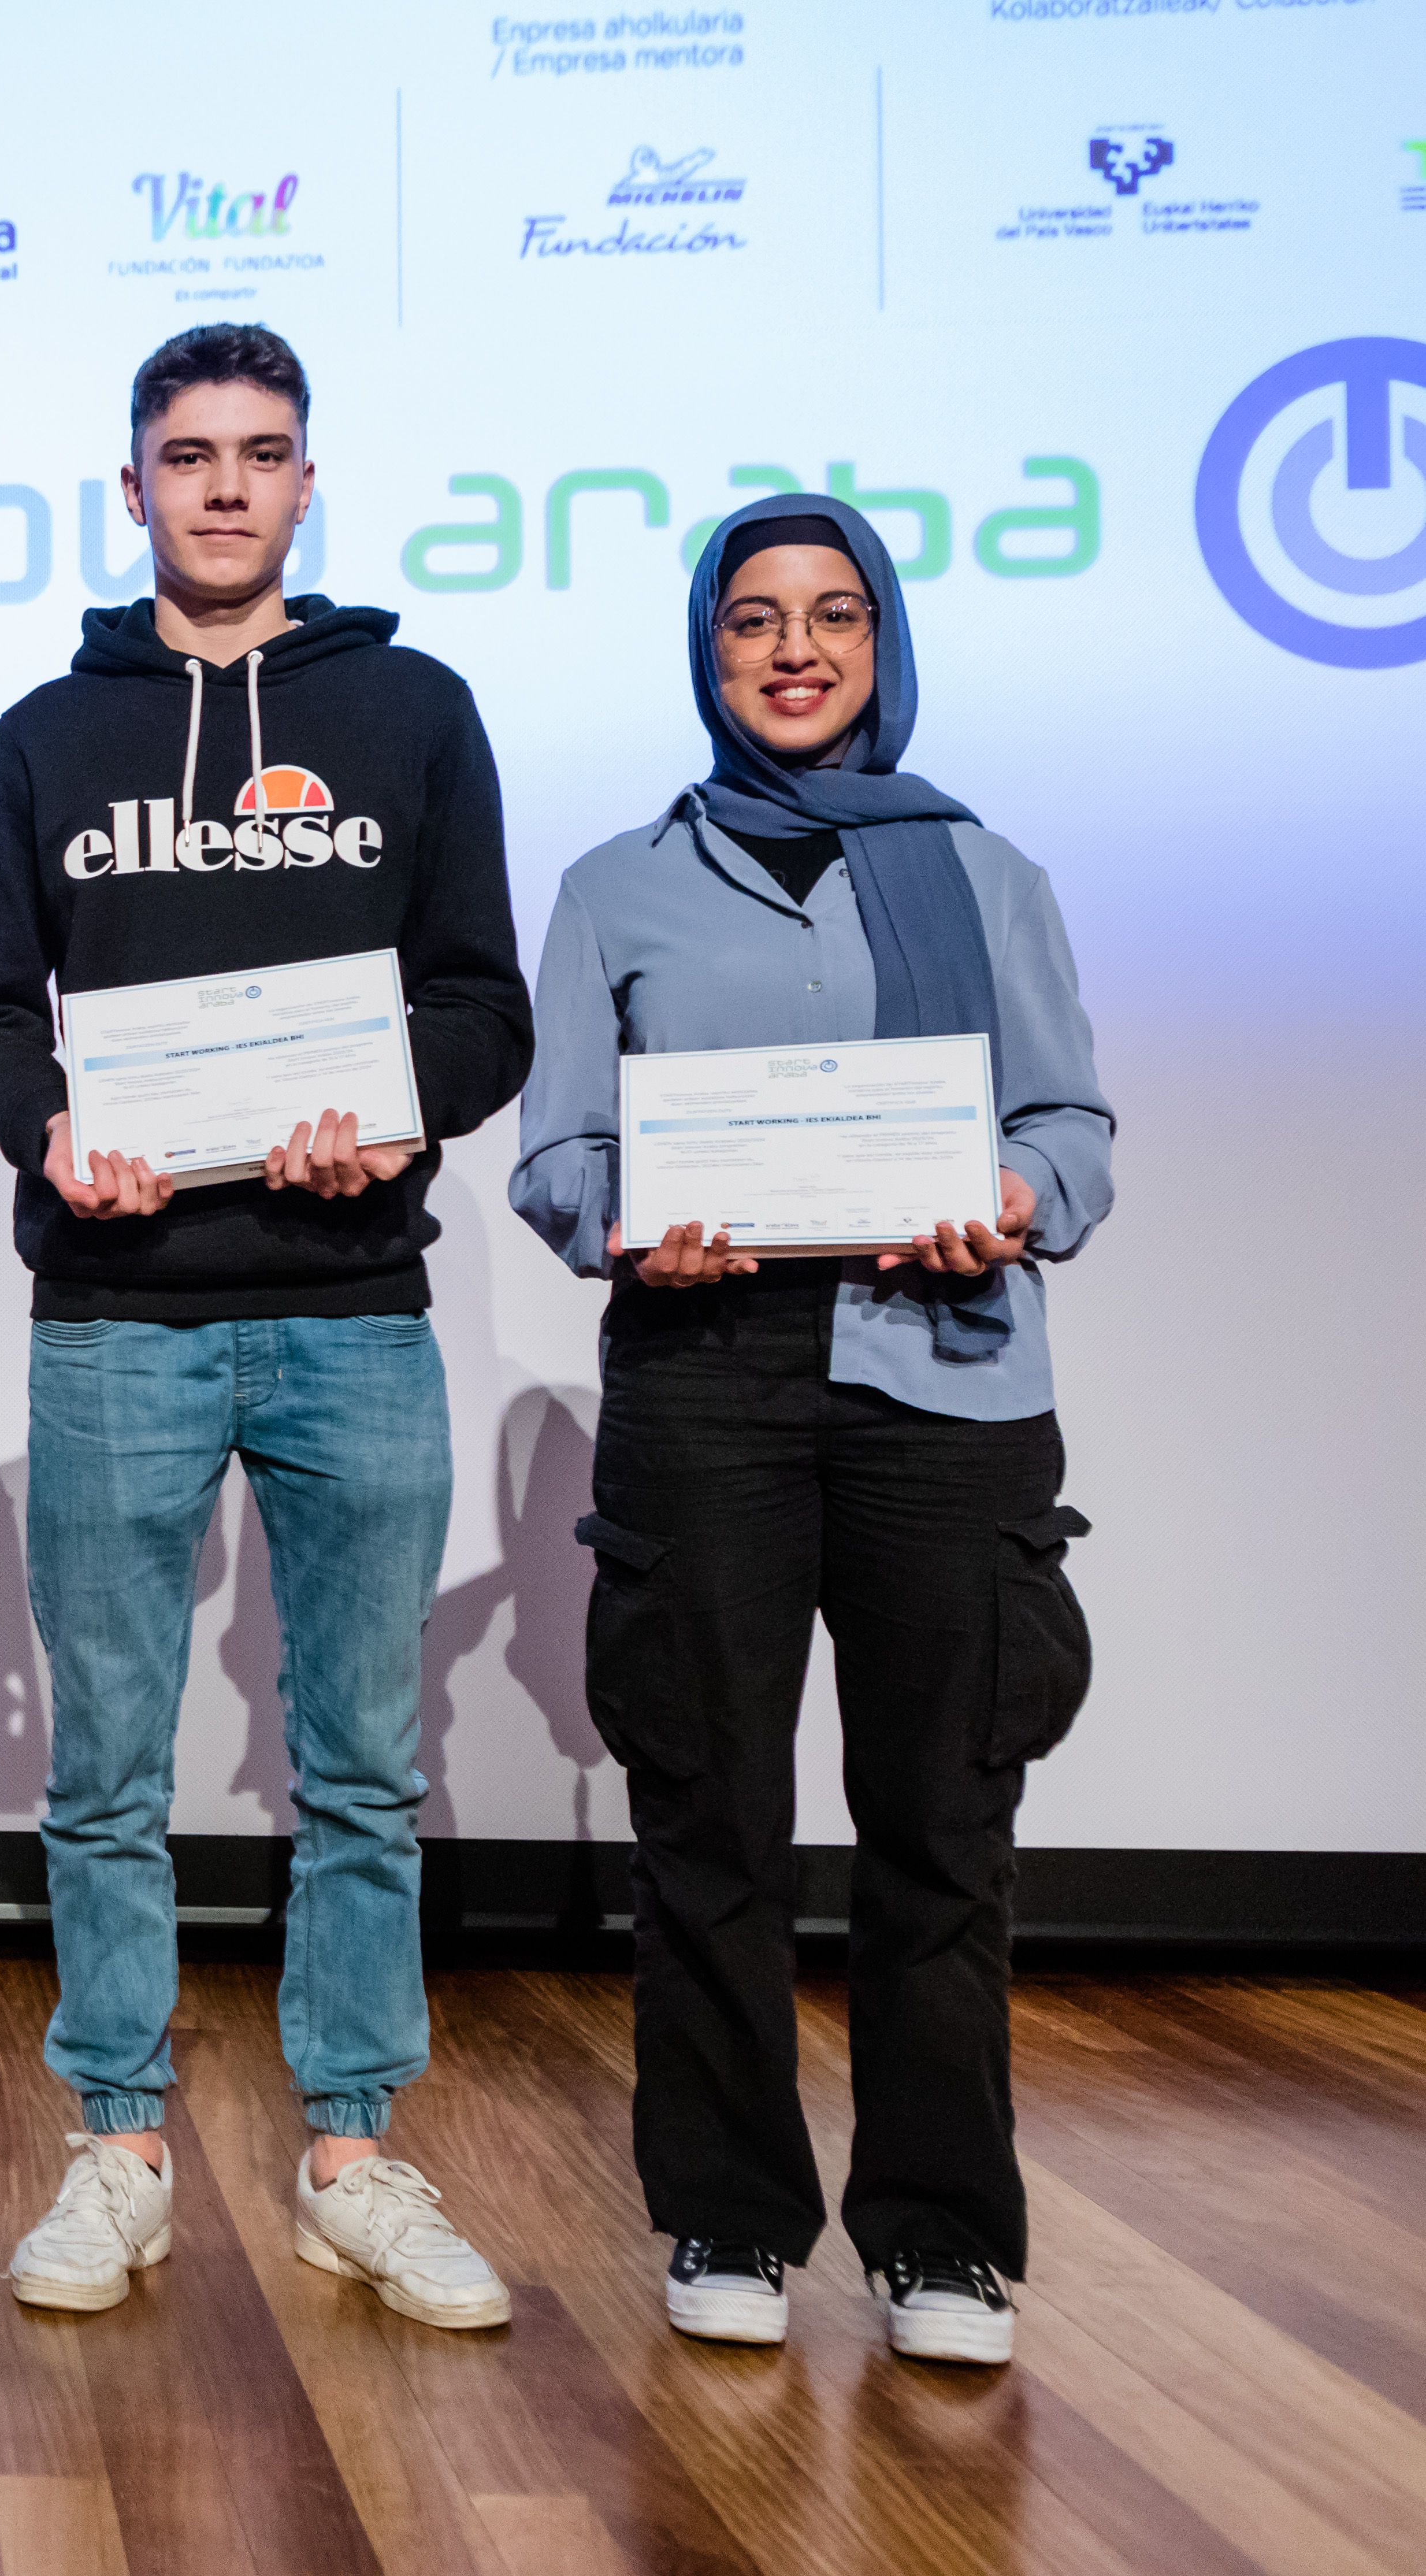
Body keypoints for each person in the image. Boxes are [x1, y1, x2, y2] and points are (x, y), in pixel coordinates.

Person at [0, 323, 532, 2330]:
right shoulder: (45, 736)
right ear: (131, 490)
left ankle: (354, 2145)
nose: (221, 486)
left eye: (260, 454)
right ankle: (120, 2142)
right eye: (185, 455)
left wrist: (394, 1110)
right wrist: (52, 1124)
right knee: (108, 1762)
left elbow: (482, 1007)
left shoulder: (417, 709)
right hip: (113, 1311)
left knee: (362, 1758)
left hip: (357, 1308)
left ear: (305, 483)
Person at [509, 494, 1111, 2366]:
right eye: (754, 619)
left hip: (949, 1372)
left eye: (833, 616)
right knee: (714, 1821)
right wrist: (629, 1223)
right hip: (709, 1375)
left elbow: (1074, 1132)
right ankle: (733, 2216)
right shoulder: (622, 879)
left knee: (945, 1826)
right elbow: (556, 1150)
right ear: (707, 651)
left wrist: (1006, 1196)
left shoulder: (984, 870)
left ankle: (940, 2236)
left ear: (881, 642)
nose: (793, 649)